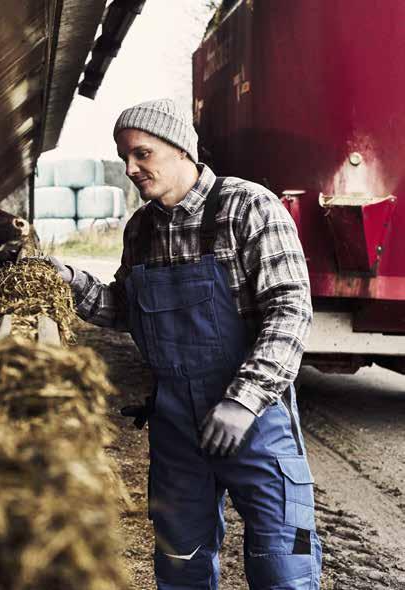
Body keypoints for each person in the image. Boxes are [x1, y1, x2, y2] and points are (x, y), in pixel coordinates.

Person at [46, 99, 322, 589]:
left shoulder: (248, 206)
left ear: (181, 150)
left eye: (142, 154)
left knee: (283, 562)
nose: (130, 169)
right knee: (180, 561)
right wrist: (64, 280)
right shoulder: (141, 229)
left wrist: (243, 400)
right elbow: (124, 308)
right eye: (125, 156)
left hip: (253, 419)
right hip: (176, 425)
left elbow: (289, 311)